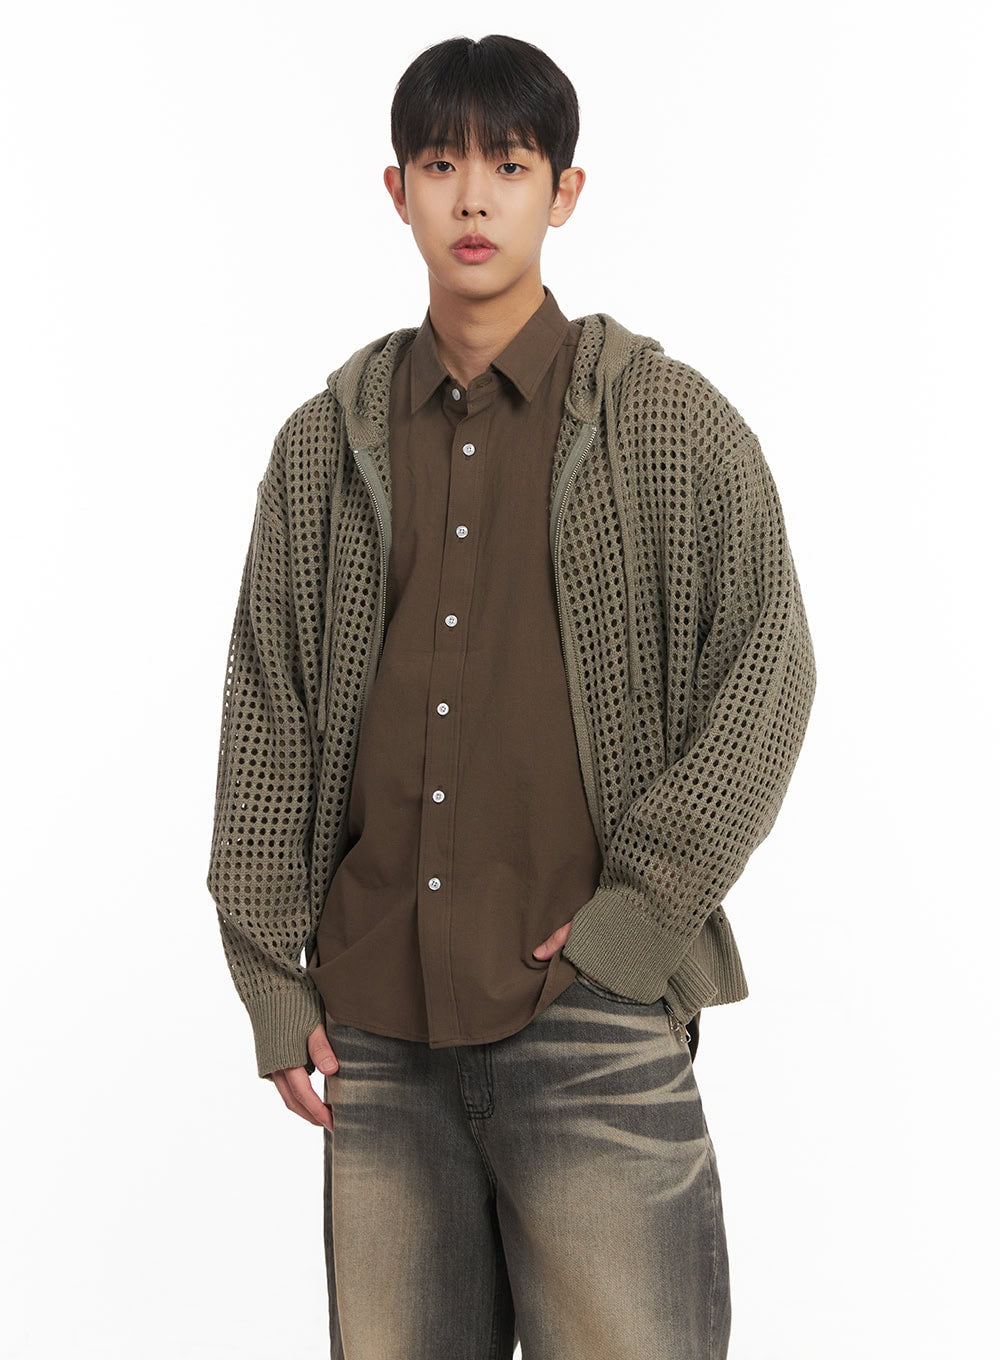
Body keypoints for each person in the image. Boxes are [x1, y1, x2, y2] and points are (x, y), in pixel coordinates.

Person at [206, 32, 817, 1360]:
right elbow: (266, 708)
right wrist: (270, 974)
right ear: (396, 191)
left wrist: (637, 921)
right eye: (441, 165)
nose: (473, 197)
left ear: (565, 192)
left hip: (593, 1020)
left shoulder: (666, 424)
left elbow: (768, 672)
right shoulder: (324, 449)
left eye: (511, 164)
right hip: (378, 1034)